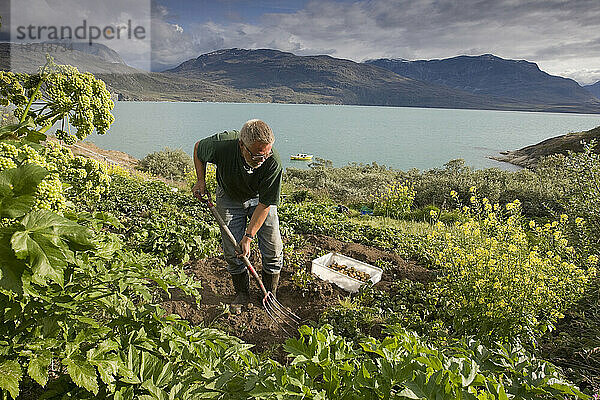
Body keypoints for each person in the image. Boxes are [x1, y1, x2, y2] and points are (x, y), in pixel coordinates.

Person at [192, 119, 284, 313]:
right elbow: (199, 148)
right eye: (258, 156)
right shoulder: (222, 145)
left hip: (259, 198)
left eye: (266, 155)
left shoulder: (272, 162)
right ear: (242, 145)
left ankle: (270, 294)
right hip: (229, 196)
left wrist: (249, 236)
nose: (263, 160)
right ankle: (242, 293)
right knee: (232, 250)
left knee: (273, 247)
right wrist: (201, 181)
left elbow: (265, 204)